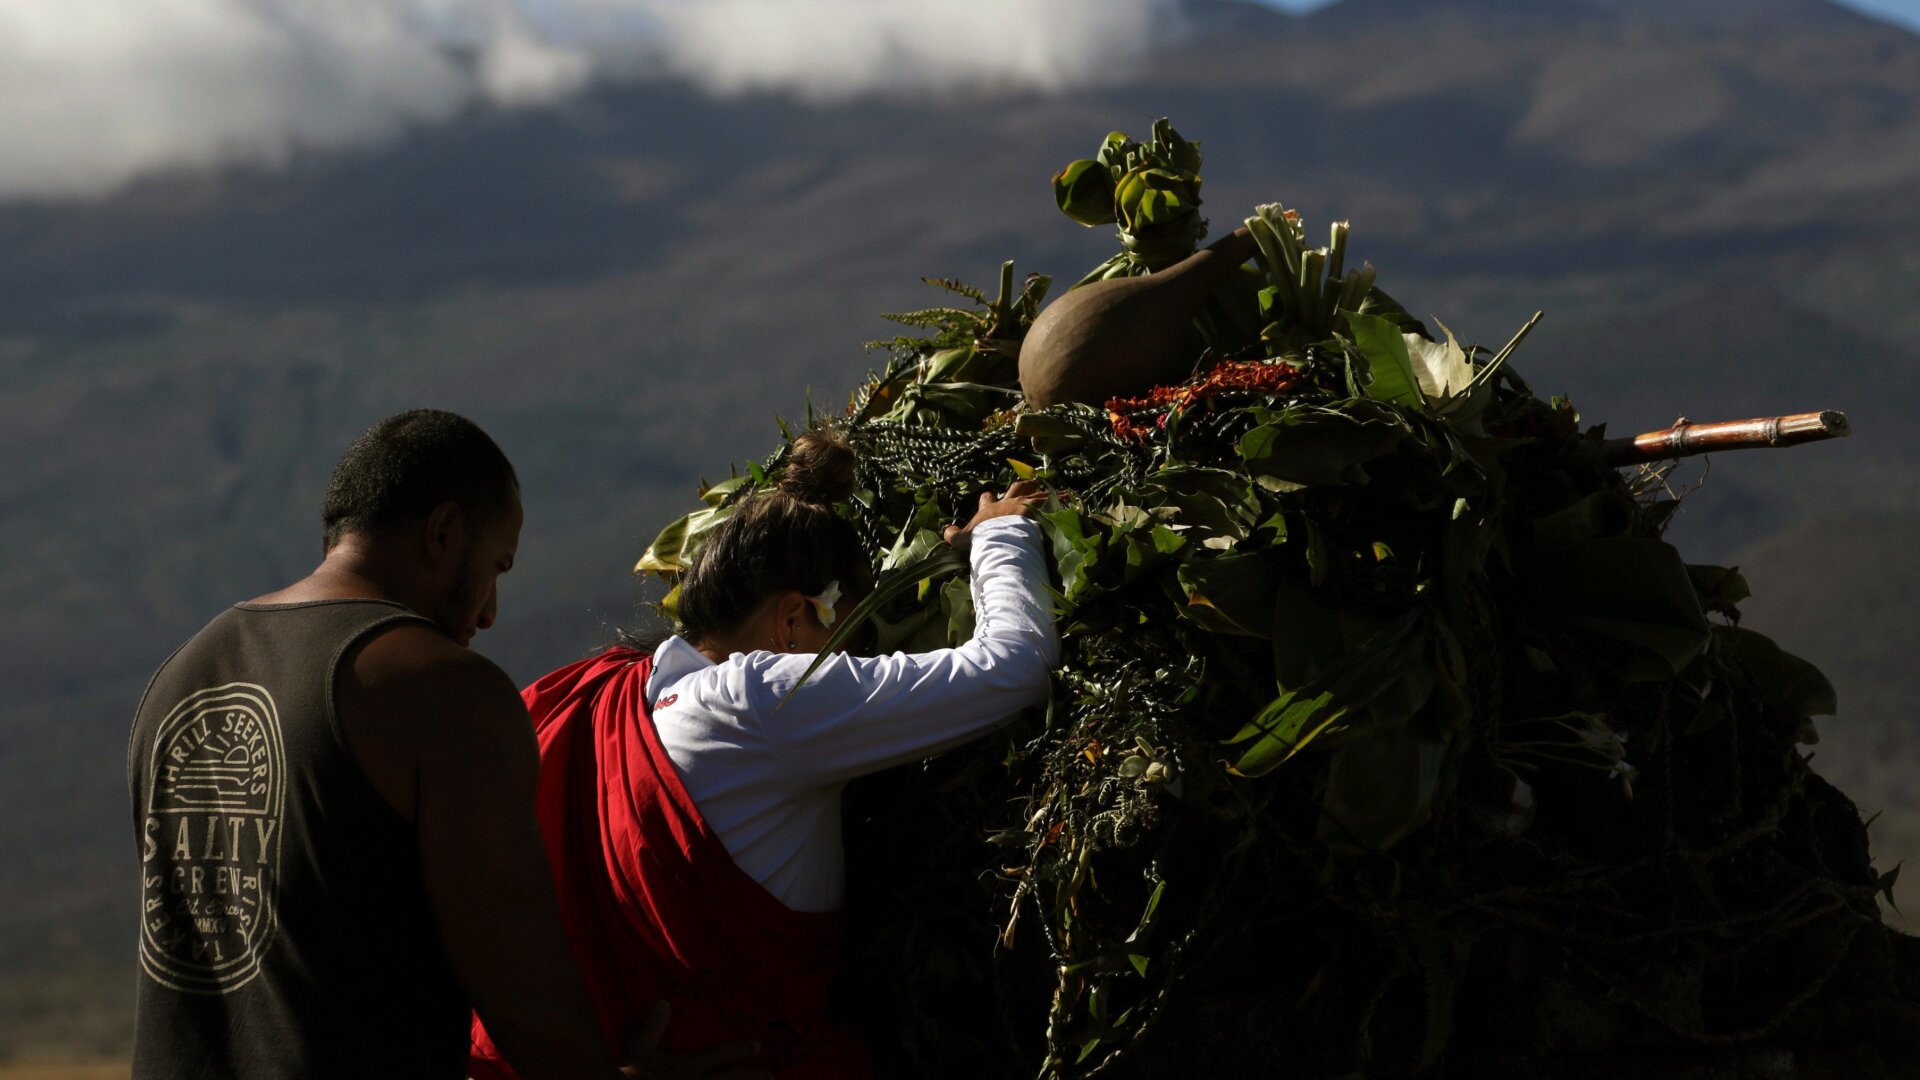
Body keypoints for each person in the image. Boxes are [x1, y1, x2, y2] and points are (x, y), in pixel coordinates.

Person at [127, 408, 755, 1080]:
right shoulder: (443, 691)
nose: (488, 611)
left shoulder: (181, 676)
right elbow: (513, 962)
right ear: (445, 532)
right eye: (497, 565)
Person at [468, 430, 1058, 1079]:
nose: (850, 665)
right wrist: (1002, 537)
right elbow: (1013, 666)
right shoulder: (763, 698)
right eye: (848, 638)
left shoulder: (589, 697)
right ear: (792, 619)